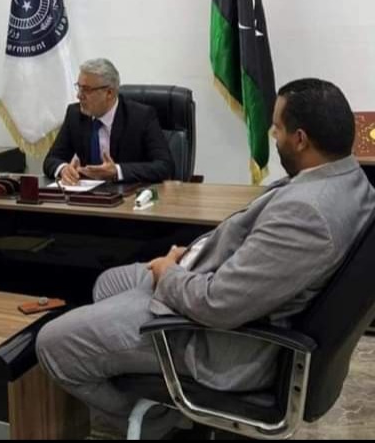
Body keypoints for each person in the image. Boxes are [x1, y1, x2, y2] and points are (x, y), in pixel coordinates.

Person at [36, 78, 375, 435]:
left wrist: (168, 274)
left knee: (53, 344)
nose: (273, 136)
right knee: (107, 283)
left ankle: (157, 423)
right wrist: (193, 255)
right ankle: (126, 361)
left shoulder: (309, 215)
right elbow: (262, 256)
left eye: (276, 128)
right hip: (216, 284)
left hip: (218, 342)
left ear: (301, 139)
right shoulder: (351, 179)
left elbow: (217, 304)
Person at [43, 58, 175, 185]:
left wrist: (117, 171)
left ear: (109, 93)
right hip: (86, 195)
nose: (79, 95)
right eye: (79, 87)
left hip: (129, 196)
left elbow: (165, 166)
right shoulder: (74, 114)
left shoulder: (141, 117)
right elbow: (51, 160)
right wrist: (63, 169)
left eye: (86, 90)